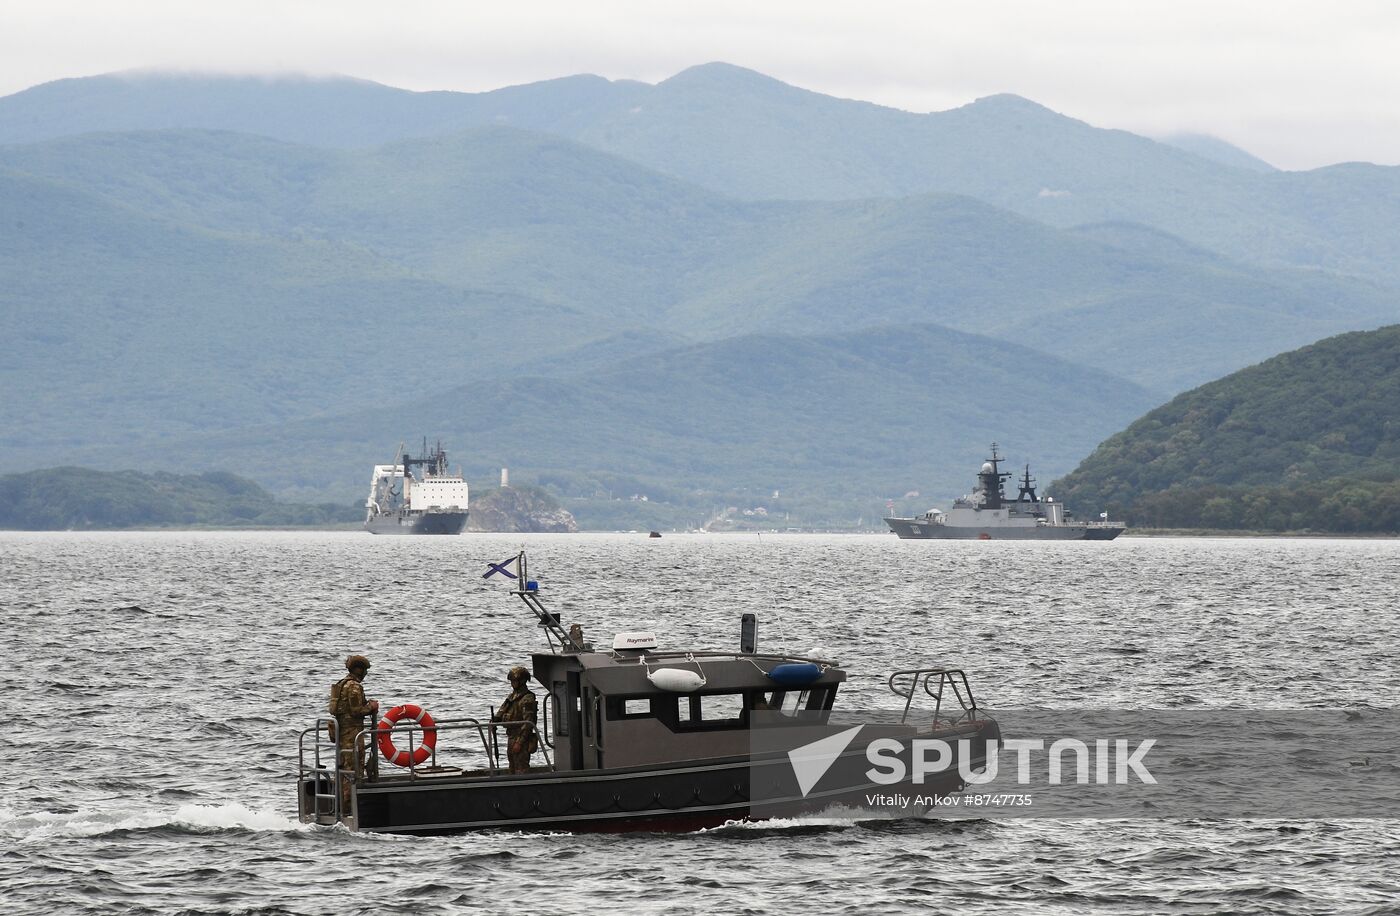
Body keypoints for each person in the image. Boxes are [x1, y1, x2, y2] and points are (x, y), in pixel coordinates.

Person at [329, 654, 379, 775]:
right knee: (353, 768)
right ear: (359, 670)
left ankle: (343, 791)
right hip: (352, 734)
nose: (365, 673)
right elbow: (356, 711)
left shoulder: (342, 684)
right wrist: (371, 706)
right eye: (365, 670)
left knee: (344, 766)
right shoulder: (354, 686)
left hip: (342, 733)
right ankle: (350, 793)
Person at [492, 666, 538, 774]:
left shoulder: (527, 698)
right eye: (511, 681)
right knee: (512, 766)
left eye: (514, 681)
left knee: (521, 767)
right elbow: (502, 710)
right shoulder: (512, 697)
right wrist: (494, 721)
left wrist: (520, 742)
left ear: (521, 681)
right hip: (511, 735)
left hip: (520, 737)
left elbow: (528, 723)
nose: (512, 683)